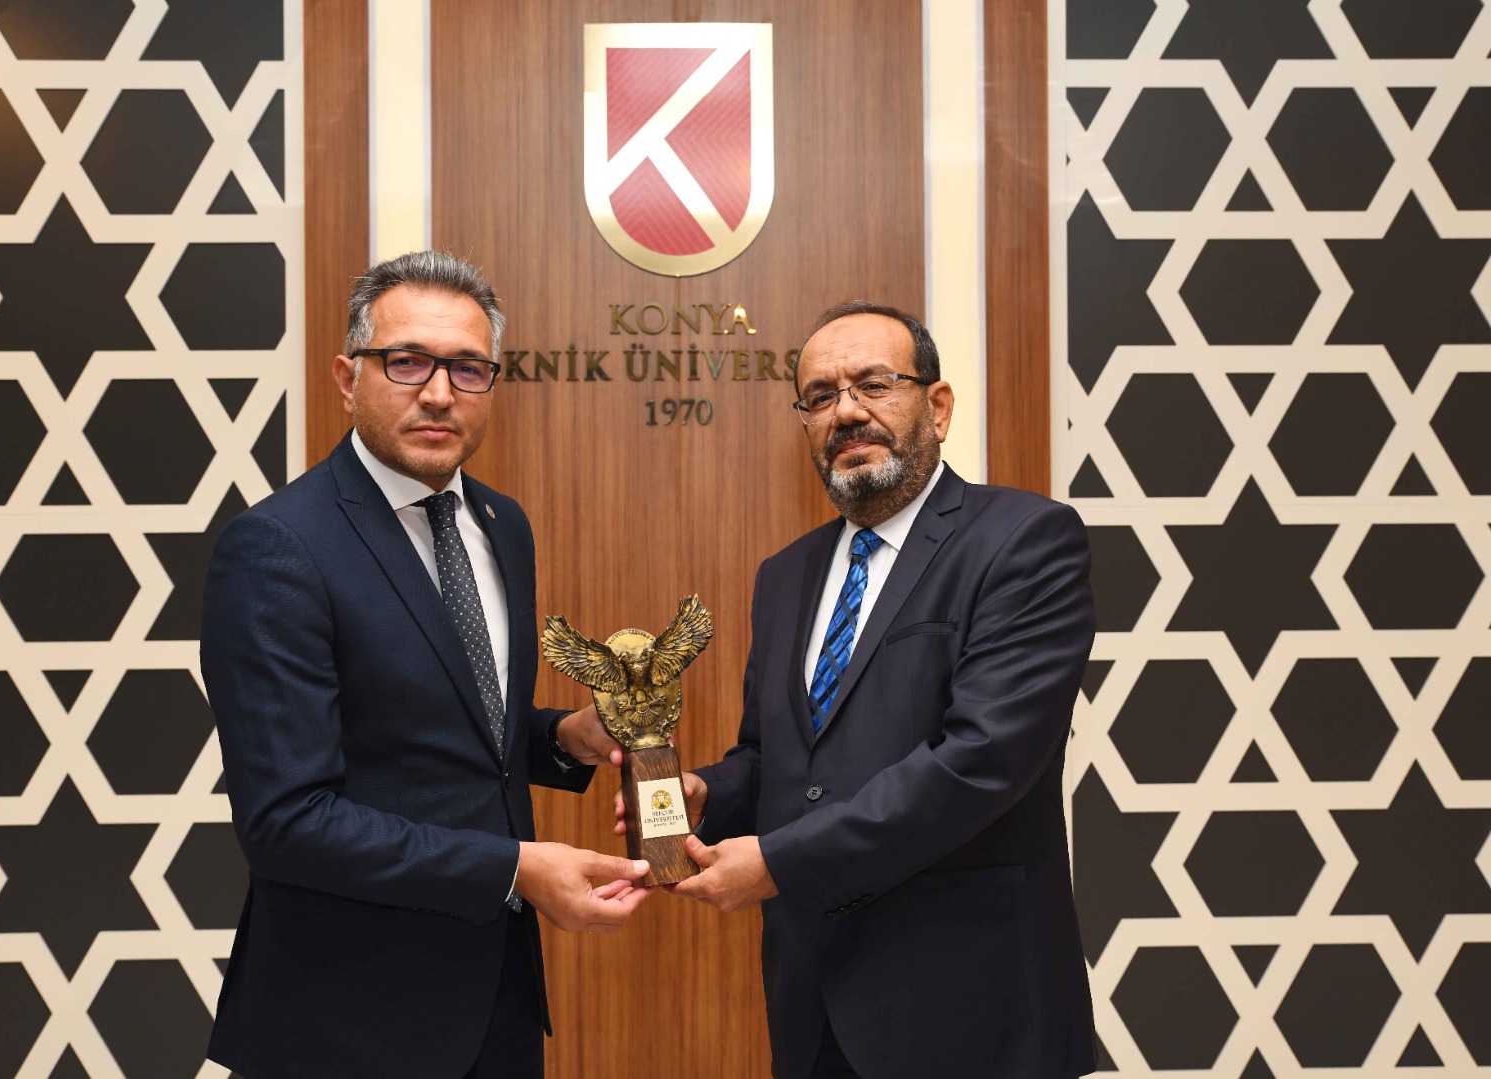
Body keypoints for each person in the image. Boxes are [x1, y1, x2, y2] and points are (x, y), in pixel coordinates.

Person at [203, 251, 649, 1079]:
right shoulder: (278, 547)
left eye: (468, 368)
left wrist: (564, 738)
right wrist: (516, 866)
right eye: (407, 361)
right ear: (348, 378)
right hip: (344, 1021)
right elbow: (287, 821)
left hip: (499, 1001)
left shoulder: (501, 523)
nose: (440, 393)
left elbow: (445, 727)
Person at [633, 301, 1097, 1078]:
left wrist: (780, 863)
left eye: (874, 385)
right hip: (814, 1011)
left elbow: (980, 762)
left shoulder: (1023, 539)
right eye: (820, 396)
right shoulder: (784, 575)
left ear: (937, 406)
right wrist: (709, 794)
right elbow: (776, 757)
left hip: (975, 1013)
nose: (847, 411)